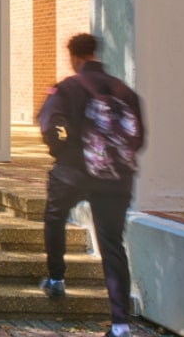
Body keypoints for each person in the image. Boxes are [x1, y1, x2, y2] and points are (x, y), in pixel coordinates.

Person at [37, 33, 145, 337]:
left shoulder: (67, 88)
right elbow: (140, 136)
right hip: (116, 177)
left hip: (73, 172)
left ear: (74, 57)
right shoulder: (124, 91)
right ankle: (120, 324)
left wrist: (63, 153)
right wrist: (116, 161)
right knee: (112, 245)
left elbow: (48, 124)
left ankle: (57, 277)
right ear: (95, 54)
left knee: (54, 216)